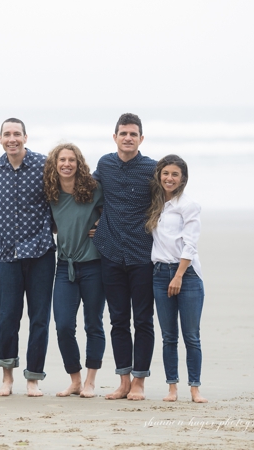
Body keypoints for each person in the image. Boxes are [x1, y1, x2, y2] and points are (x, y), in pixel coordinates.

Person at [0, 118, 57, 397]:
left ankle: (33, 378)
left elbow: (58, 198)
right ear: (0, 139)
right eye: (7, 134)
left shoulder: (43, 164)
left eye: (17, 134)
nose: (12, 139)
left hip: (41, 253)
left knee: (39, 318)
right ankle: (7, 378)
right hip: (7, 255)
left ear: (25, 137)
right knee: (7, 317)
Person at [94, 113, 159, 401]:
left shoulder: (153, 168)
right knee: (118, 320)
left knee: (143, 320)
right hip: (110, 253)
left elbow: (167, 202)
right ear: (115, 136)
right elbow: (87, 192)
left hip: (143, 255)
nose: (128, 138)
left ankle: (139, 382)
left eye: (133, 134)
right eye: (123, 133)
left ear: (141, 138)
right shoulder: (105, 164)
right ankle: (122, 381)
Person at [44, 142, 106, 398]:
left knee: (94, 324)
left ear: (79, 164)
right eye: (62, 160)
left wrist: (102, 223)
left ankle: (91, 381)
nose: (67, 164)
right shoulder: (51, 193)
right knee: (64, 326)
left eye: (72, 160)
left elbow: (114, 211)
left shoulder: (93, 189)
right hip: (64, 267)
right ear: (55, 164)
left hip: (93, 266)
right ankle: (75, 379)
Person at [148, 155, 207, 403]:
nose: (169, 178)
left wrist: (179, 276)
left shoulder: (188, 205)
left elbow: (190, 245)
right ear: (159, 175)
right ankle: (172, 388)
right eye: (165, 173)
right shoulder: (155, 204)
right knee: (168, 336)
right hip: (161, 274)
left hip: (187, 276)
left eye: (175, 174)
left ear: (182, 178)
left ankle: (195, 388)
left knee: (191, 336)